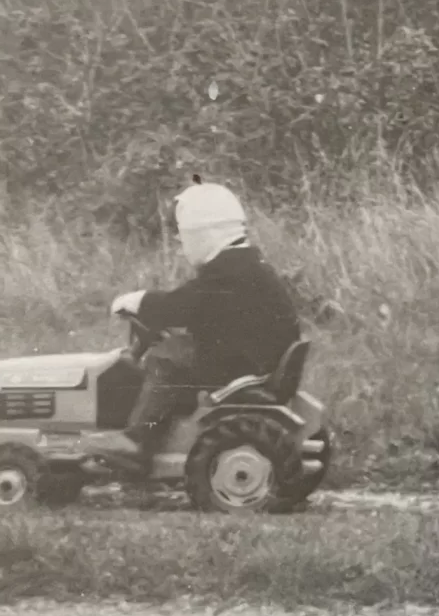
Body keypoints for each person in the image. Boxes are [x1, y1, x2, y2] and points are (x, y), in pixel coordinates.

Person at [111, 178, 302, 467]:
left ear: (206, 234)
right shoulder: (245, 262)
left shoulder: (228, 271)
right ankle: (166, 431)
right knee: (176, 348)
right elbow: (200, 306)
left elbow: (182, 305)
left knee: (166, 358)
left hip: (246, 366)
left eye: (185, 236)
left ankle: (138, 440)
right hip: (257, 357)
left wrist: (140, 301)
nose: (181, 243)